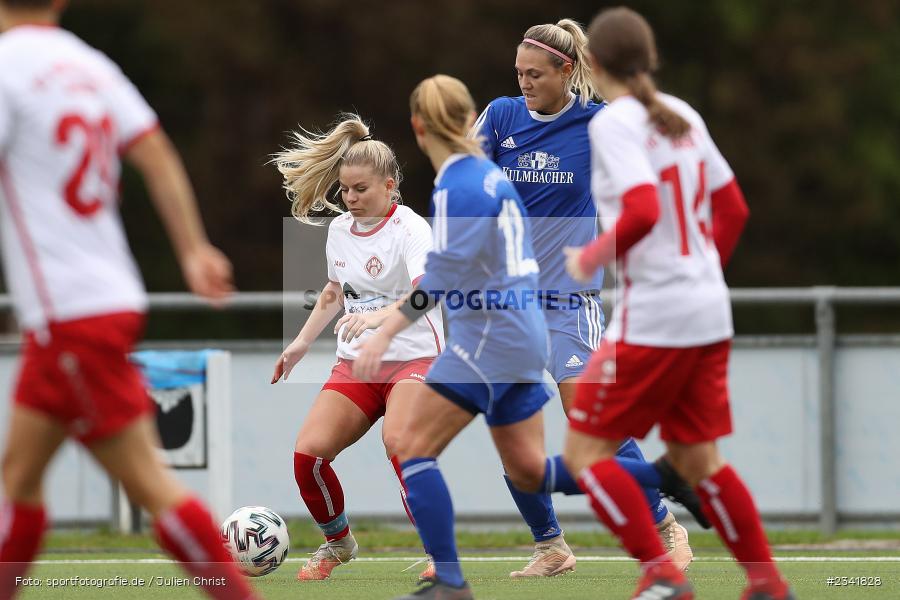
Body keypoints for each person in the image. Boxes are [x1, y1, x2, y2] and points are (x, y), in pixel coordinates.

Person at [0, 1, 258, 599]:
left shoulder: (8, 67)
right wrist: (193, 248)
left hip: (69, 314)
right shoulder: (90, 66)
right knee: (19, 481)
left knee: (150, 486)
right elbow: (156, 151)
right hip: (105, 297)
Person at [562, 7, 793, 600]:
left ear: (591, 63)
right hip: (709, 312)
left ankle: (661, 575)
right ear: (651, 58)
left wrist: (591, 258)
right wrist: (701, 270)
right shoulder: (682, 114)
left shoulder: (614, 123)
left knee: (586, 455)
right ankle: (766, 582)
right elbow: (733, 208)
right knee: (700, 459)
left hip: (658, 316)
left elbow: (642, 208)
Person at [472, 18, 702, 575]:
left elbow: (647, 191)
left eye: (535, 74)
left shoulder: (600, 124)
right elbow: (467, 179)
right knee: (511, 431)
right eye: (518, 73)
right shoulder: (501, 117)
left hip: (569, 302)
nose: (524, 82)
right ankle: (550, 545)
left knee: (590, 418)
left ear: (567, 71)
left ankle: (665, 526)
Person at [353, 74, 554, 600]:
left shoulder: (458, 184)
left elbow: (441, 279)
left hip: (490, 336)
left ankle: (449, 582)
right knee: (532, 470)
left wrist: (384, 329)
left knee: (411, 446)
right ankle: (659, 478)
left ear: (417, 128)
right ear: (471, 119)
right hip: (522, 332)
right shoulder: (487, 174)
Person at [270, 114, 444, 581]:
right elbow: (333, 291)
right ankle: (338, 543)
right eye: (345, 190)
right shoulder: (341, 229)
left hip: (416, 359)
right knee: (309, 456)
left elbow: (428, 292)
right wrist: (301, 343)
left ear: (390, 186)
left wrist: (376, 316)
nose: (351, 199)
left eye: (361, 189)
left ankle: (438, 554)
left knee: (402, 444)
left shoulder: (411, 228)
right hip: (359, 365)